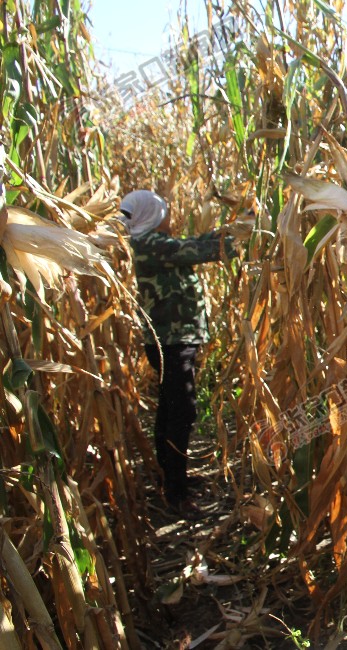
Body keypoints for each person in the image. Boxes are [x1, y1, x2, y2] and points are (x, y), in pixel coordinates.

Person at [121, 190, 248, 517]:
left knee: (171, 408)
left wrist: (233, 226)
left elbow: (192, 243)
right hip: (170, 342)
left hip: (171, 340)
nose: (169, 216)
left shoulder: (152, 244)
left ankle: (171, 477)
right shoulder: (148, 245)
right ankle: (175, 494)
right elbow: (201, 249)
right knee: (181, 411)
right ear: (150, 215)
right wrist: (245, 231)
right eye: (164, 211)